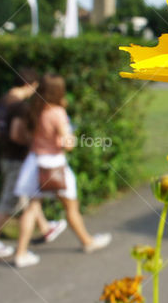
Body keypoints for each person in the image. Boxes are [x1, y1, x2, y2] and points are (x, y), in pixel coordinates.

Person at [11, 73, 111, 268]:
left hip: (34, 162)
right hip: (54, 164)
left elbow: (25, 135)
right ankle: (87, 242)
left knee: (32, 208)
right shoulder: (56, 112)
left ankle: (21, 253)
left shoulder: (33, 109)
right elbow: (68, 144)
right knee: (71, 206)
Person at [0, 68, 67, 258]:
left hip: (5, 156)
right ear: (30, 85)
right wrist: (33, 142)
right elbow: (15, 134)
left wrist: (4, 138)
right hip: (17, 159)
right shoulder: (20, 107)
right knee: (9, 201)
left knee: (29, 198)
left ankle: (45, 229)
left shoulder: (3, 101)